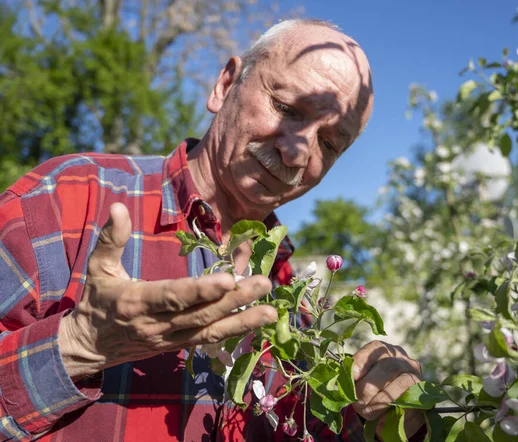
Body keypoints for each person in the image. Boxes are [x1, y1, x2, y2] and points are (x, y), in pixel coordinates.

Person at [0, 19, 425, 441]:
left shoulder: (293, 302)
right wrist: (77, 345)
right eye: (286, 108)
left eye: (329, 144)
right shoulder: (68, 199)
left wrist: (378, 417)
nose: (297, 153)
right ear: (225, 85)